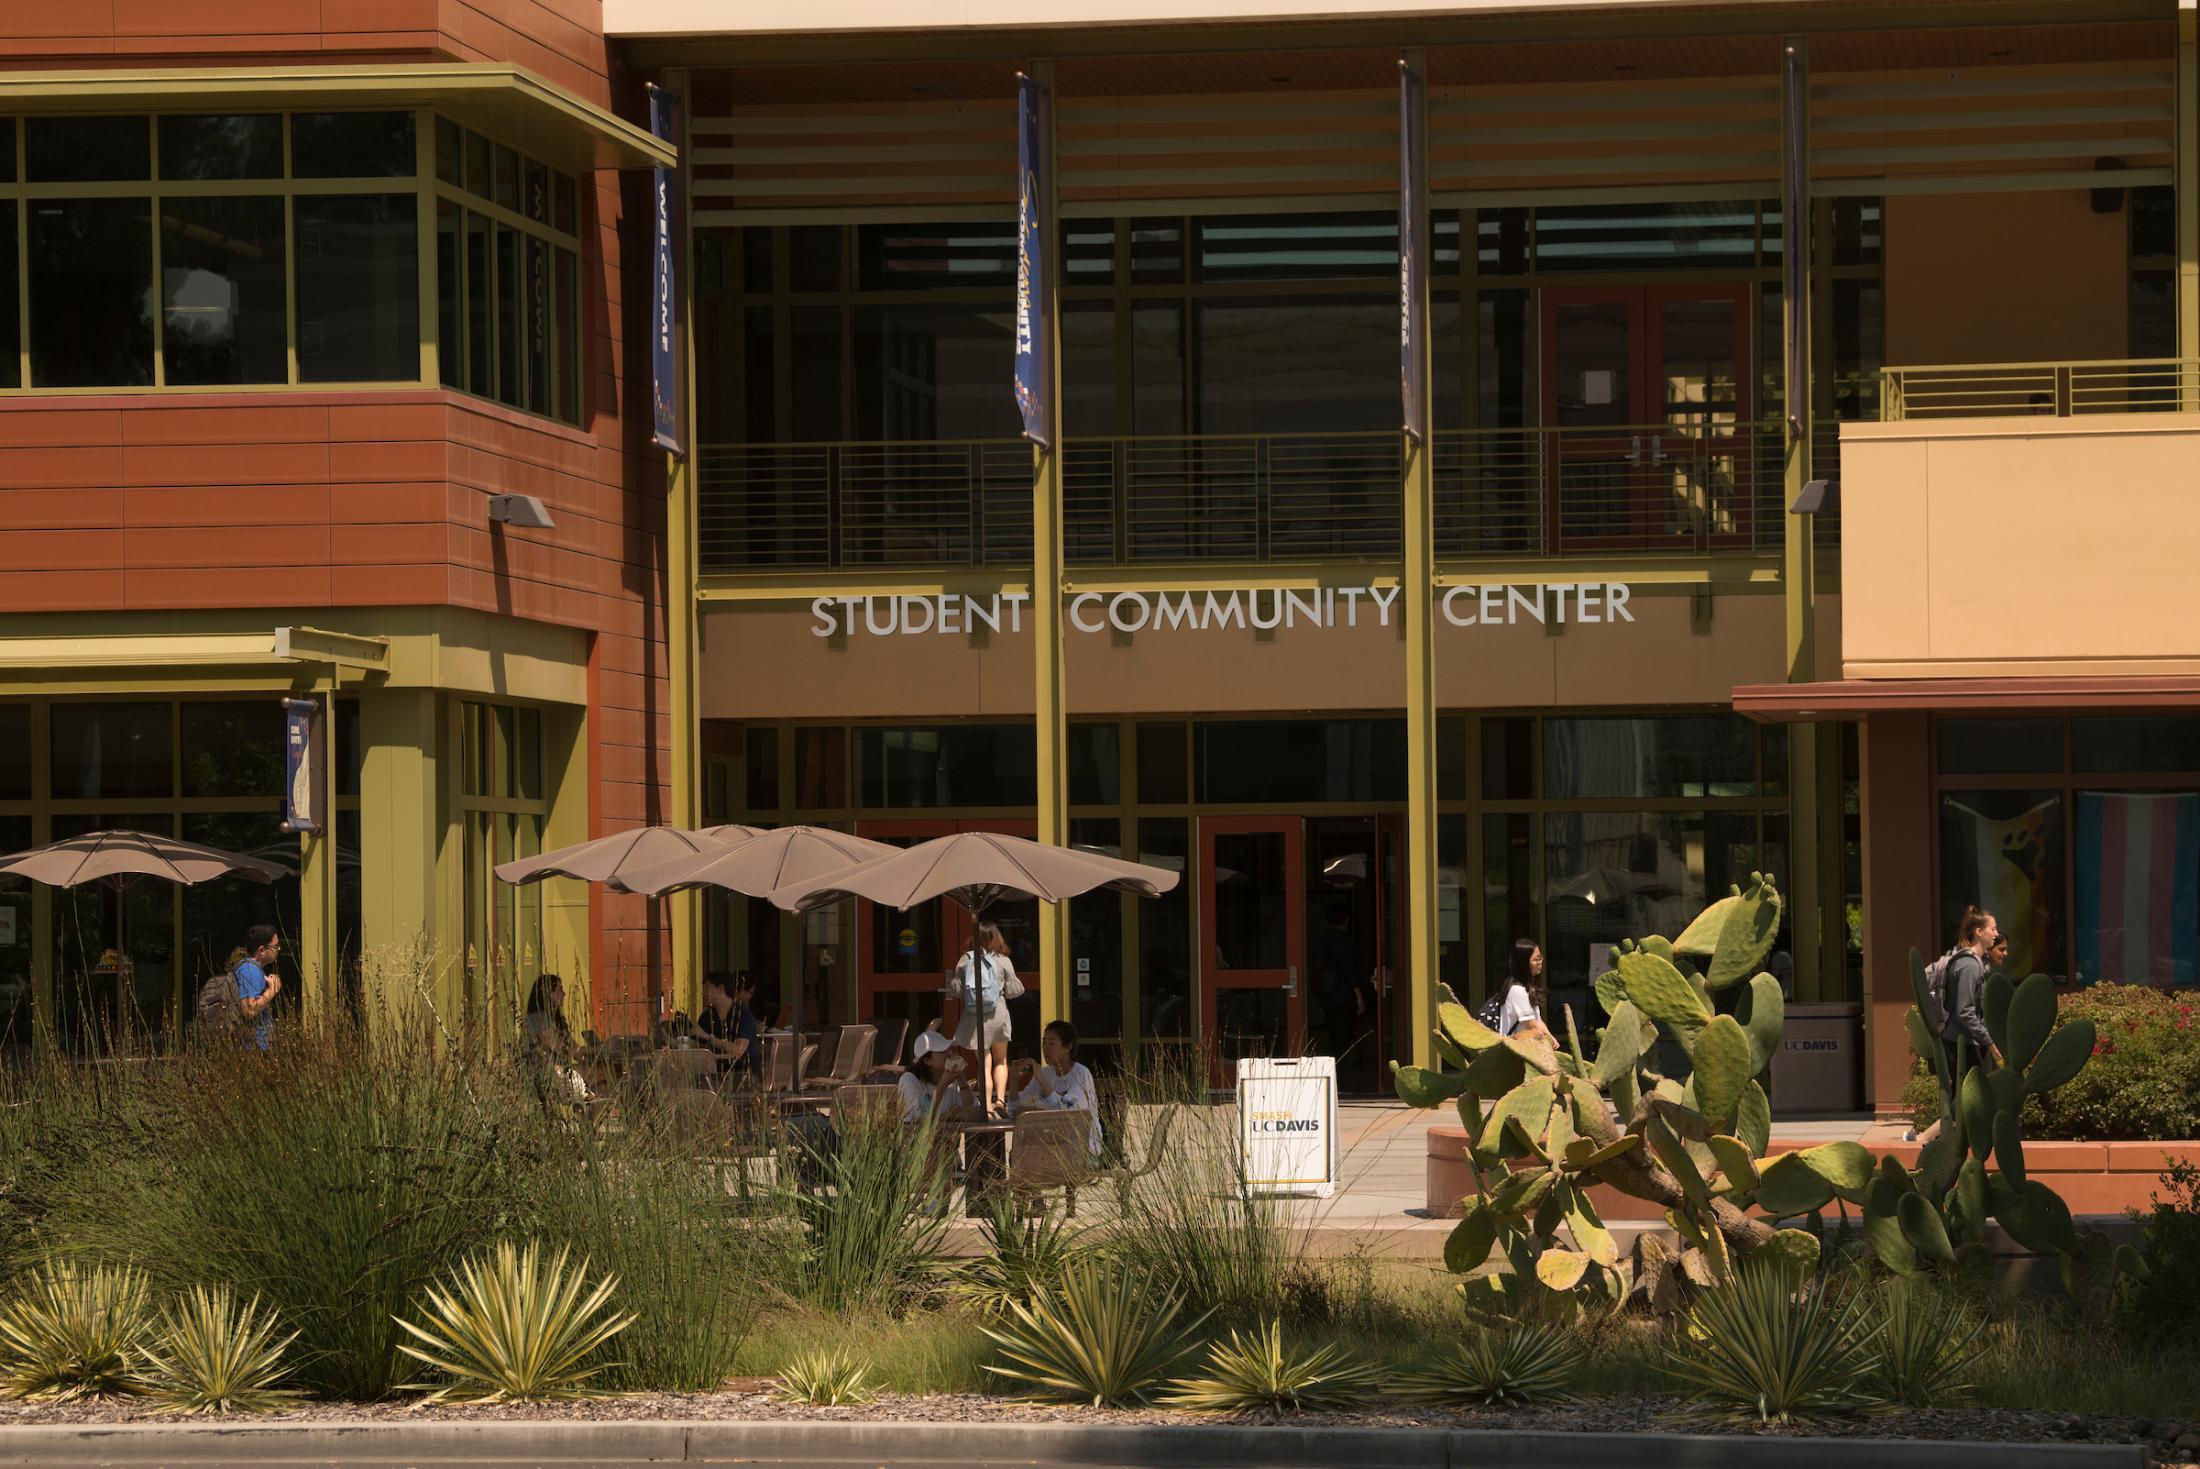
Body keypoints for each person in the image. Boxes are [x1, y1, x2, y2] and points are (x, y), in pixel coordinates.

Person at [1913, 906, 2005, 1144]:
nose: (1996, 934)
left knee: (1968, 1098)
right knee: (1969, 1098)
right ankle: (1925, 1138)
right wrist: (1989, 1040)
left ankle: (1940, 1140)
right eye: (1992, 928)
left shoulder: (1975, 962)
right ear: (1979, 931)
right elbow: (1965, 1011)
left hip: (1965, 1040)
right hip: (1964, 1043)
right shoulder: (1969, 966)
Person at [947, 922, 1025, 1117]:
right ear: (997, 938)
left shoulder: (966, 960)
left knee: (985, 1064)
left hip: (975, 1018)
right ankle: (1000, 1100)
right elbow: (1014, 990)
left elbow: (955, 990)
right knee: (1001, 1060)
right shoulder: (1003, 960)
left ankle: (987, 1106)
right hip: (998, 1015)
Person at [1011, 1019, 1103, 1157]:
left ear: (1068, 1047)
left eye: (1052, 1043)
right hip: (1053, 1145)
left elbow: (1068, 1114)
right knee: (1018, 1155)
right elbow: (1014, 1110)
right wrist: (1014, 1081)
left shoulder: (1081, 1074)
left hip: (1082, 1150)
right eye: (1044, 1042)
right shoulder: (1045, 1073)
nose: (1046, 1048)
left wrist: (1043, 1083)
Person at [524, 973, 590, 1103]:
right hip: (544, 1075)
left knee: (602, 1076)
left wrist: (599, 1051)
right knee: (597, 1073)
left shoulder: (557, 1020)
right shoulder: (538, 1020)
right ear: (548, 993)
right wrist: (596, 1050)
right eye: (559, 990)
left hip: (559, 1071)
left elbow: (576, 1052)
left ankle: (588, 1117)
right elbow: (565, 1050)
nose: (564, 994)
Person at [1313, 901, 1363, 1061]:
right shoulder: (1344, 942)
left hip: (1324, 993)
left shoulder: (1320, 940)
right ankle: (1339, 1072)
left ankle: (1332, 1068)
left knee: (1332, 1033)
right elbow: (1349, 970)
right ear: (1346, 920)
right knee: (1341, 1038)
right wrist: (1359, 997)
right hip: (1343, 995)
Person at [899, 1023, 970, 1128]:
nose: (950, 1054)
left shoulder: (953, 1082)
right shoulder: (909, 1080)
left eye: (948, 1049)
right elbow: (921, 1117)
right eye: (943, 1051)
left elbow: (975, 1111)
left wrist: (962, 1080)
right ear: (927, 1060)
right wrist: (942, 1084)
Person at [696, 970, 761, 1081]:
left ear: (721, 989)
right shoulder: (707, 1016)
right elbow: (692, 1044)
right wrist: (668, 1039)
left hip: (744, 1076)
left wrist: (708, 1037)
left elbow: (738, 1050)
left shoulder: (743, 1015)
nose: (703, 993)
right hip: (714, 1076)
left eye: (707, 988)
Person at [232, 924, 282, 1052]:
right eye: (275, 946)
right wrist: (272, 990)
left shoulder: (252, 969)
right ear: (261, 950)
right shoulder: (250, 971)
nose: (279, 949)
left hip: (255, 1048)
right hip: (253, 1050)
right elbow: (249, 1010)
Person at [1498, 938, 1553, 1041]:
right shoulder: (1517, 990)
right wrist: (1548, 1040)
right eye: (1536, 959)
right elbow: (1531, 1024)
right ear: (1523, 964)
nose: (1540, 962)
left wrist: (1550, 1037)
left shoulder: (1527, 989)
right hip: (1515, 1051)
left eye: (1541, 958)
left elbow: (1538, 1020)